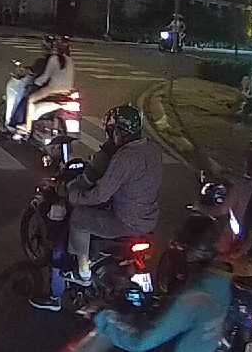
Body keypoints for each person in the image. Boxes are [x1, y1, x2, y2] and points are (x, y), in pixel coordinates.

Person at [72, 214, 233, 352]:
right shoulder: (219, 280)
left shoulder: (193, 297)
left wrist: (100, 315)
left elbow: (140, 341)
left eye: (178, 246)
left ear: (191, 252)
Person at [30, 105, 161, 311]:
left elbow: (99, 194)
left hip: (124, 221)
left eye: (111, 132)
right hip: (148, 219)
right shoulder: (151, 149)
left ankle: (81, 274)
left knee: (78, 218)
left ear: (118, 131)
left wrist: (74, 197)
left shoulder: (124, 157)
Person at [14, 35, 75, 137]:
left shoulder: (53, 59)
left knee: (30, 100)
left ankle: (27, 127)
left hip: (52, 91)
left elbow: (45, 77)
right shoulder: (70, 60)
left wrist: (36, 83)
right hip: (67, 92)